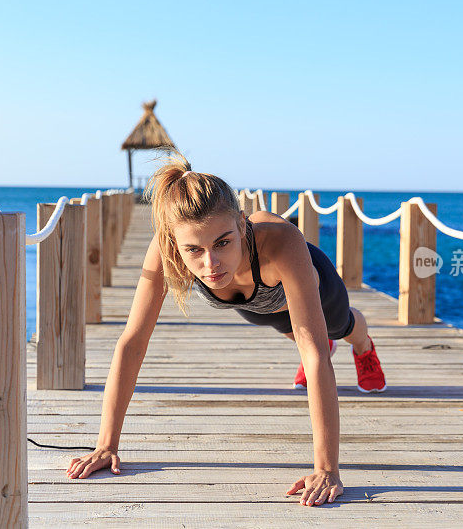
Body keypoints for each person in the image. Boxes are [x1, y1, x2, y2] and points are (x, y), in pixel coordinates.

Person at [65, 150, 386, 507]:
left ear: (242, 223)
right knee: (294, 332)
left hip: (316, 292)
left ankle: (363, 346)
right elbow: (132, 342)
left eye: (223, 243)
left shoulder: (280, 241)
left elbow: (313, 357)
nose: (210, 263)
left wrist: (326, 469)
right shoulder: (167, 249)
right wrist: (106, 445)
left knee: (333, 332)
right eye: (194, 250)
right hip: (254, 308)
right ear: (176, 243)